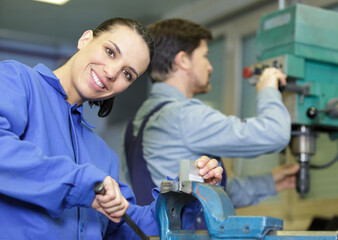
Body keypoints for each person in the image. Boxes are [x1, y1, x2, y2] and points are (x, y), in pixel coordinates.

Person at [0, 17, 223, 240]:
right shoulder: (16, 81)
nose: (111, 72)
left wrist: (186, 191)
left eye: (128, 74)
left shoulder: (102, 155)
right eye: (110, 52)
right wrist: (83, 184)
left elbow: (131, 225)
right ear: (86, 39)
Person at [124, 18, 300, 228]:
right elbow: (275, 134)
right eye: (205, 56)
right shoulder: (182, 115)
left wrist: (271, 182)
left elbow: (203, 193)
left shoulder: (137, 121)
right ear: (183, 60)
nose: (210, 66)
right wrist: (268, 89)